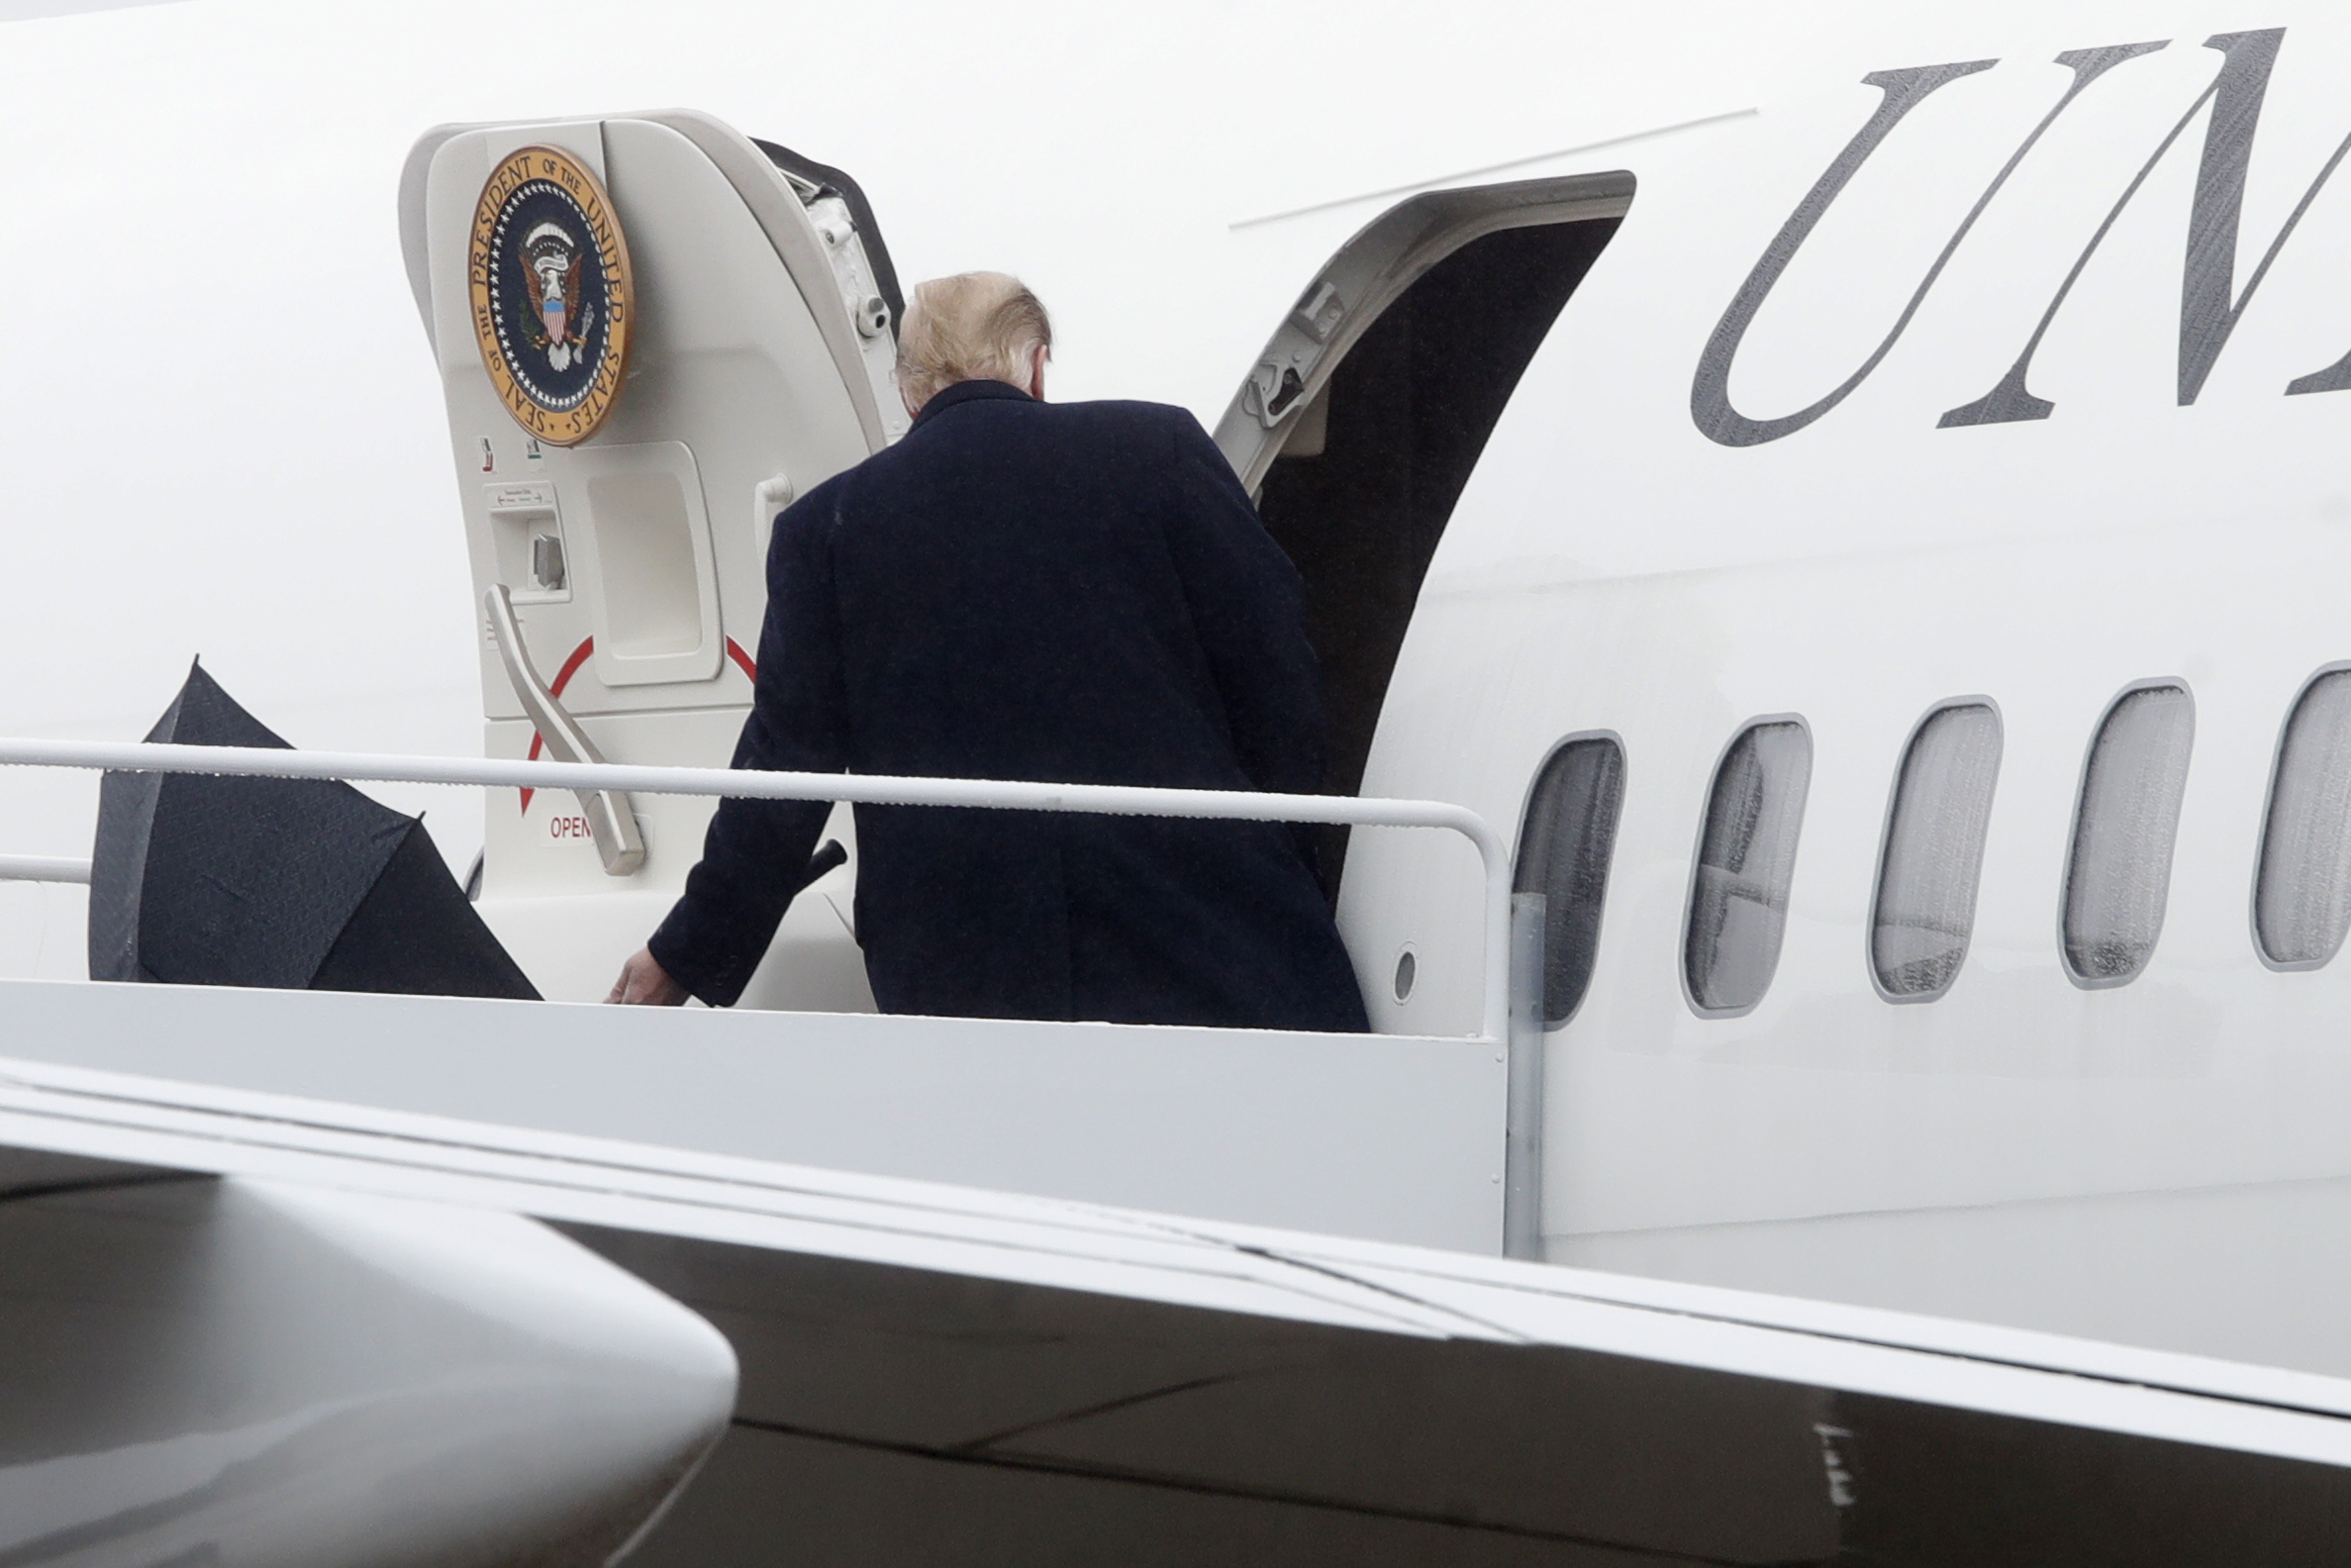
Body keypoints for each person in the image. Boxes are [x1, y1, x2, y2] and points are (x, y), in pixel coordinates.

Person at [608, 271, 1368, 1030]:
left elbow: (783, 772)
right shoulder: (1158, 450)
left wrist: (684, 952)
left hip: (963, 976)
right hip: (1205, 941)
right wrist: (1289, 864)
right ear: (1036, 365)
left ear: (909, 391)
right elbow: (1278, 681)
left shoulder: (824, 529)